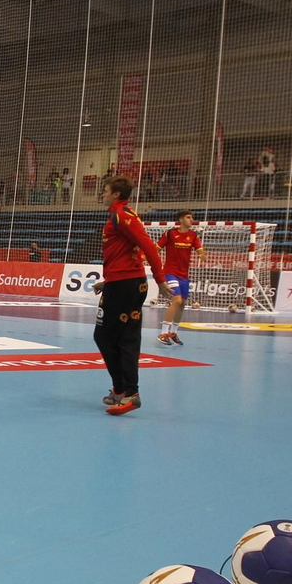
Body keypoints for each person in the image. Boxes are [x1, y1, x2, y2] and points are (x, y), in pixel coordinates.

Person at [93, 176, 165, 416]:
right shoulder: (121, 214)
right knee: (116, 337)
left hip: (127, 284)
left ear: (115, 194)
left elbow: (149, 246)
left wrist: (161, 278)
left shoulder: (122, 216)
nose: (101, 194)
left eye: (105, 191)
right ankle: (124, 390)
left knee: (112, 337)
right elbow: (125, 254)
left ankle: (127, 392)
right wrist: (108, 281)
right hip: (122, 282)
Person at [157, 210, 205, 347]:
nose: (192, 220)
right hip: (170, 272)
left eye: (192, 217)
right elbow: (158, 248)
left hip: (184, 275)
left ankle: (173, 332)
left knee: (183, 303)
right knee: (176, 300)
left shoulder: (194, 235)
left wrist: (202, 254)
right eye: (188, 217)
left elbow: (200, 251)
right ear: (181, 220)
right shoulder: (170, 233)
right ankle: (163, 333)